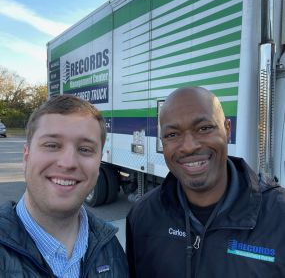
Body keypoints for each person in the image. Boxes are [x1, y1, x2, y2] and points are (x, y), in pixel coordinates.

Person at [126, 86, 285, 278]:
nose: (189, 146)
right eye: (172, 135)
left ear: (227, 130)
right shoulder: (142, 216)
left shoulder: (279, 217)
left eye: (204, 128)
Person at [0, 95, 129, 277]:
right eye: (52, 145)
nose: (68, 163)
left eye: (85, 149)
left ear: (99, 163)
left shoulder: (111, 247)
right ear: (26, 156)